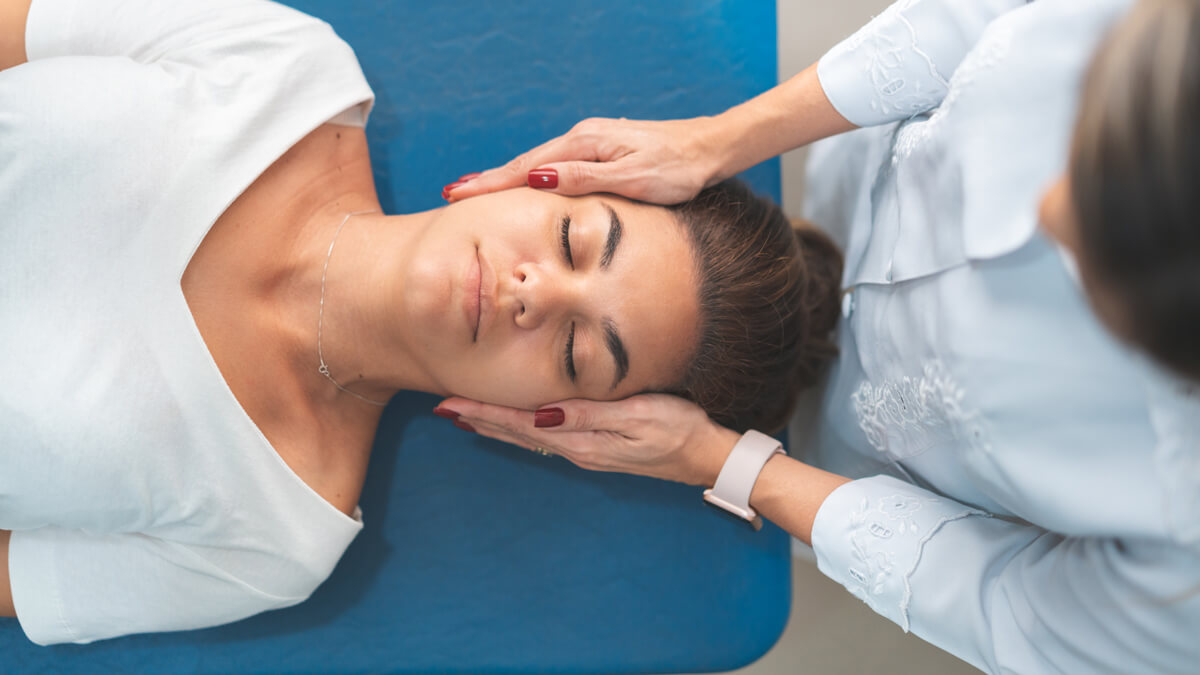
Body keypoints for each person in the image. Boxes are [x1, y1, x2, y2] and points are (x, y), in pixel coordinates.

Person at [0, 0, 844, 645]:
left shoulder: (272, 535)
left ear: (559, 425)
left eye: (579, 350)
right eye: (573, 241)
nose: (538, 293)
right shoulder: (284, 65)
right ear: (549, 174)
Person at [438, 0, 1200, 672]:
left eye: (1092, 249)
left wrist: (724, 462)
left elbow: (1010, 612)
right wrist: (717, 142)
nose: (1042, 209)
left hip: (846, 463)